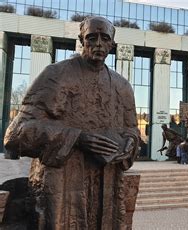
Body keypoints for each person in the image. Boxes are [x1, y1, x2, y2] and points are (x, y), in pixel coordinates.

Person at [3, 16, 140, 229]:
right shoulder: (56, 75)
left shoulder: (122, 86)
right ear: (81, 40)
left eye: (105, 39)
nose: (98, 44)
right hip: (64, 183)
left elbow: (131, 130)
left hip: (107, 187)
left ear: (112, 44)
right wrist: (77, 138)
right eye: (91, 38)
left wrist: (129, 144)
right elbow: (15, 134)